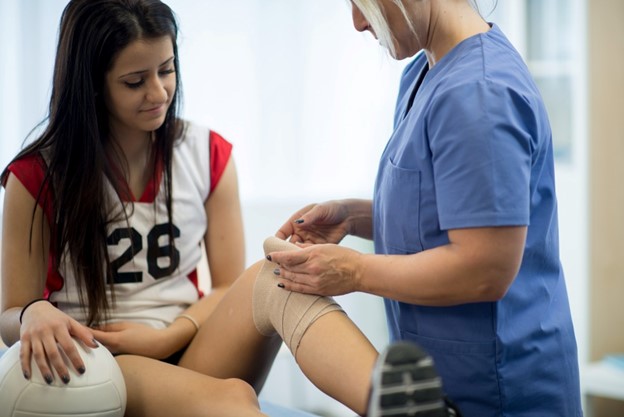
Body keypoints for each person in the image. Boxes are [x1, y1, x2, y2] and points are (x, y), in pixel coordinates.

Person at [0, 1, 462, 417]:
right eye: (135, 82)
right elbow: (11, 313)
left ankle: (402, 407)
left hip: (192, 340)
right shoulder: (38, 175)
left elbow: (223, 288)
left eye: (167, 69)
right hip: (106, 359)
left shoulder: (206, 153)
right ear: (92, 87)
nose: (159, 93)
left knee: (275, 274)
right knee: (233, 400)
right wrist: (32, 314)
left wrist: (169, 336)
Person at [269, 1, 583, 417]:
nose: (358, 22)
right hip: (445, 382)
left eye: (362, 3)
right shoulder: (424, 72)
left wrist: (353, 271)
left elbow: (484, 269)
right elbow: (442, 214)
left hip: (500, 391)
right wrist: (353, 216)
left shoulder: (479, 93)